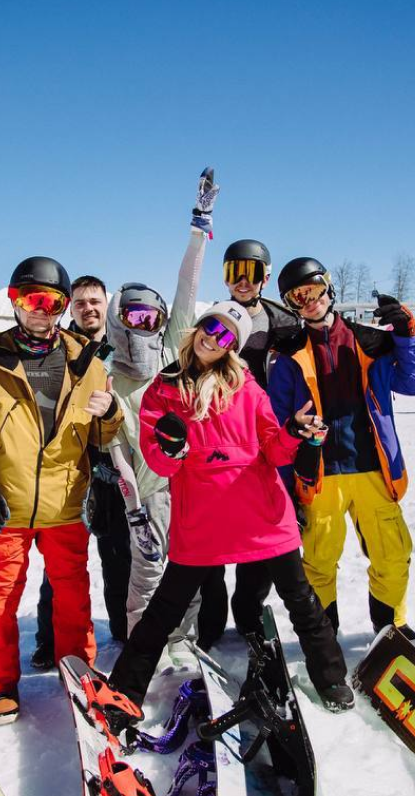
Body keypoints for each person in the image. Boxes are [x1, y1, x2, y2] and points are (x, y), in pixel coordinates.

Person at [109, 301, 352, 715]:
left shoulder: (248, 388)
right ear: (197, 327)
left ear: (231, 348)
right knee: (164, 611)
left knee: (301, 601)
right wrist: (172, 448)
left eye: (225, 336)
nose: (212, 338)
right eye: (210, 326)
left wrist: (293, 432)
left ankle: (331, 679)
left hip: (263, 516)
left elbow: (275, 452)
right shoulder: (163, 390)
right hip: (202, 521)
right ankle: (125, 692)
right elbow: (160, 464)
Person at [0, 256, 124, 723]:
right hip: (7, 504)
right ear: (15, 303)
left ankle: (79, 674)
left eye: (51, 303)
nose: (41, 312)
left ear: (62, 307)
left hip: (65, 501)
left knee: (73, 596)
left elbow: (102, 434)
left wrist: (110, 413)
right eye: (31, 301)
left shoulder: (86, 360)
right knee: (0, 598)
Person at [268, 258, 415, 638]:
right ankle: (323, 635)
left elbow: (413, 383)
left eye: (314, 289)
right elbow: (278, 424)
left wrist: (406, 335)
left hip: (372, 467)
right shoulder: (288, 354)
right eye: (297, 296)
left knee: (392, 553)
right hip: (318, 473)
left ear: (329, 287)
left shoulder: (370, 341)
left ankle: (391, 628)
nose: (309, 301)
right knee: (319, 560)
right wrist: (285, 489)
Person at [104, 174, 215, 655]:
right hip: (146, 494)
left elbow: (187, 287)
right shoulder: (109, 375)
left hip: (187, 486)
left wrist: (199, 228)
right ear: (119, 320)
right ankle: (141, 653)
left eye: (152, 317)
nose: (144, 325)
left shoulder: (173, 352)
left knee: (187, 573)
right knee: (147, 574)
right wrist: (133, 512)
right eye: (134, 317)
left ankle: (182, 649)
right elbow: (115, 447)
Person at [197, 238, 304, 647]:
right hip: (222, 440)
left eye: (252, 273)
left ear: (266, 277)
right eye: (233, 272)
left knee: (262, 532)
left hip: (271, 438)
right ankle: (211, 616)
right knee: (211, 532)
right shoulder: (213, 320)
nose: (242, 281)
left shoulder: (285, 323)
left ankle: (248, 610)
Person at [30, 274, 132, 669]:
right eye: (80, 303)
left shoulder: (123, 344)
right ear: (70, 307)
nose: (88, 308)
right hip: (70, 464)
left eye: (94, 301)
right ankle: (50, 639)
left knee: (119, 554)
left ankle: (123, 630)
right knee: (61, 563)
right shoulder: (59, 347)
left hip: (113, 460)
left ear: (106, 304)